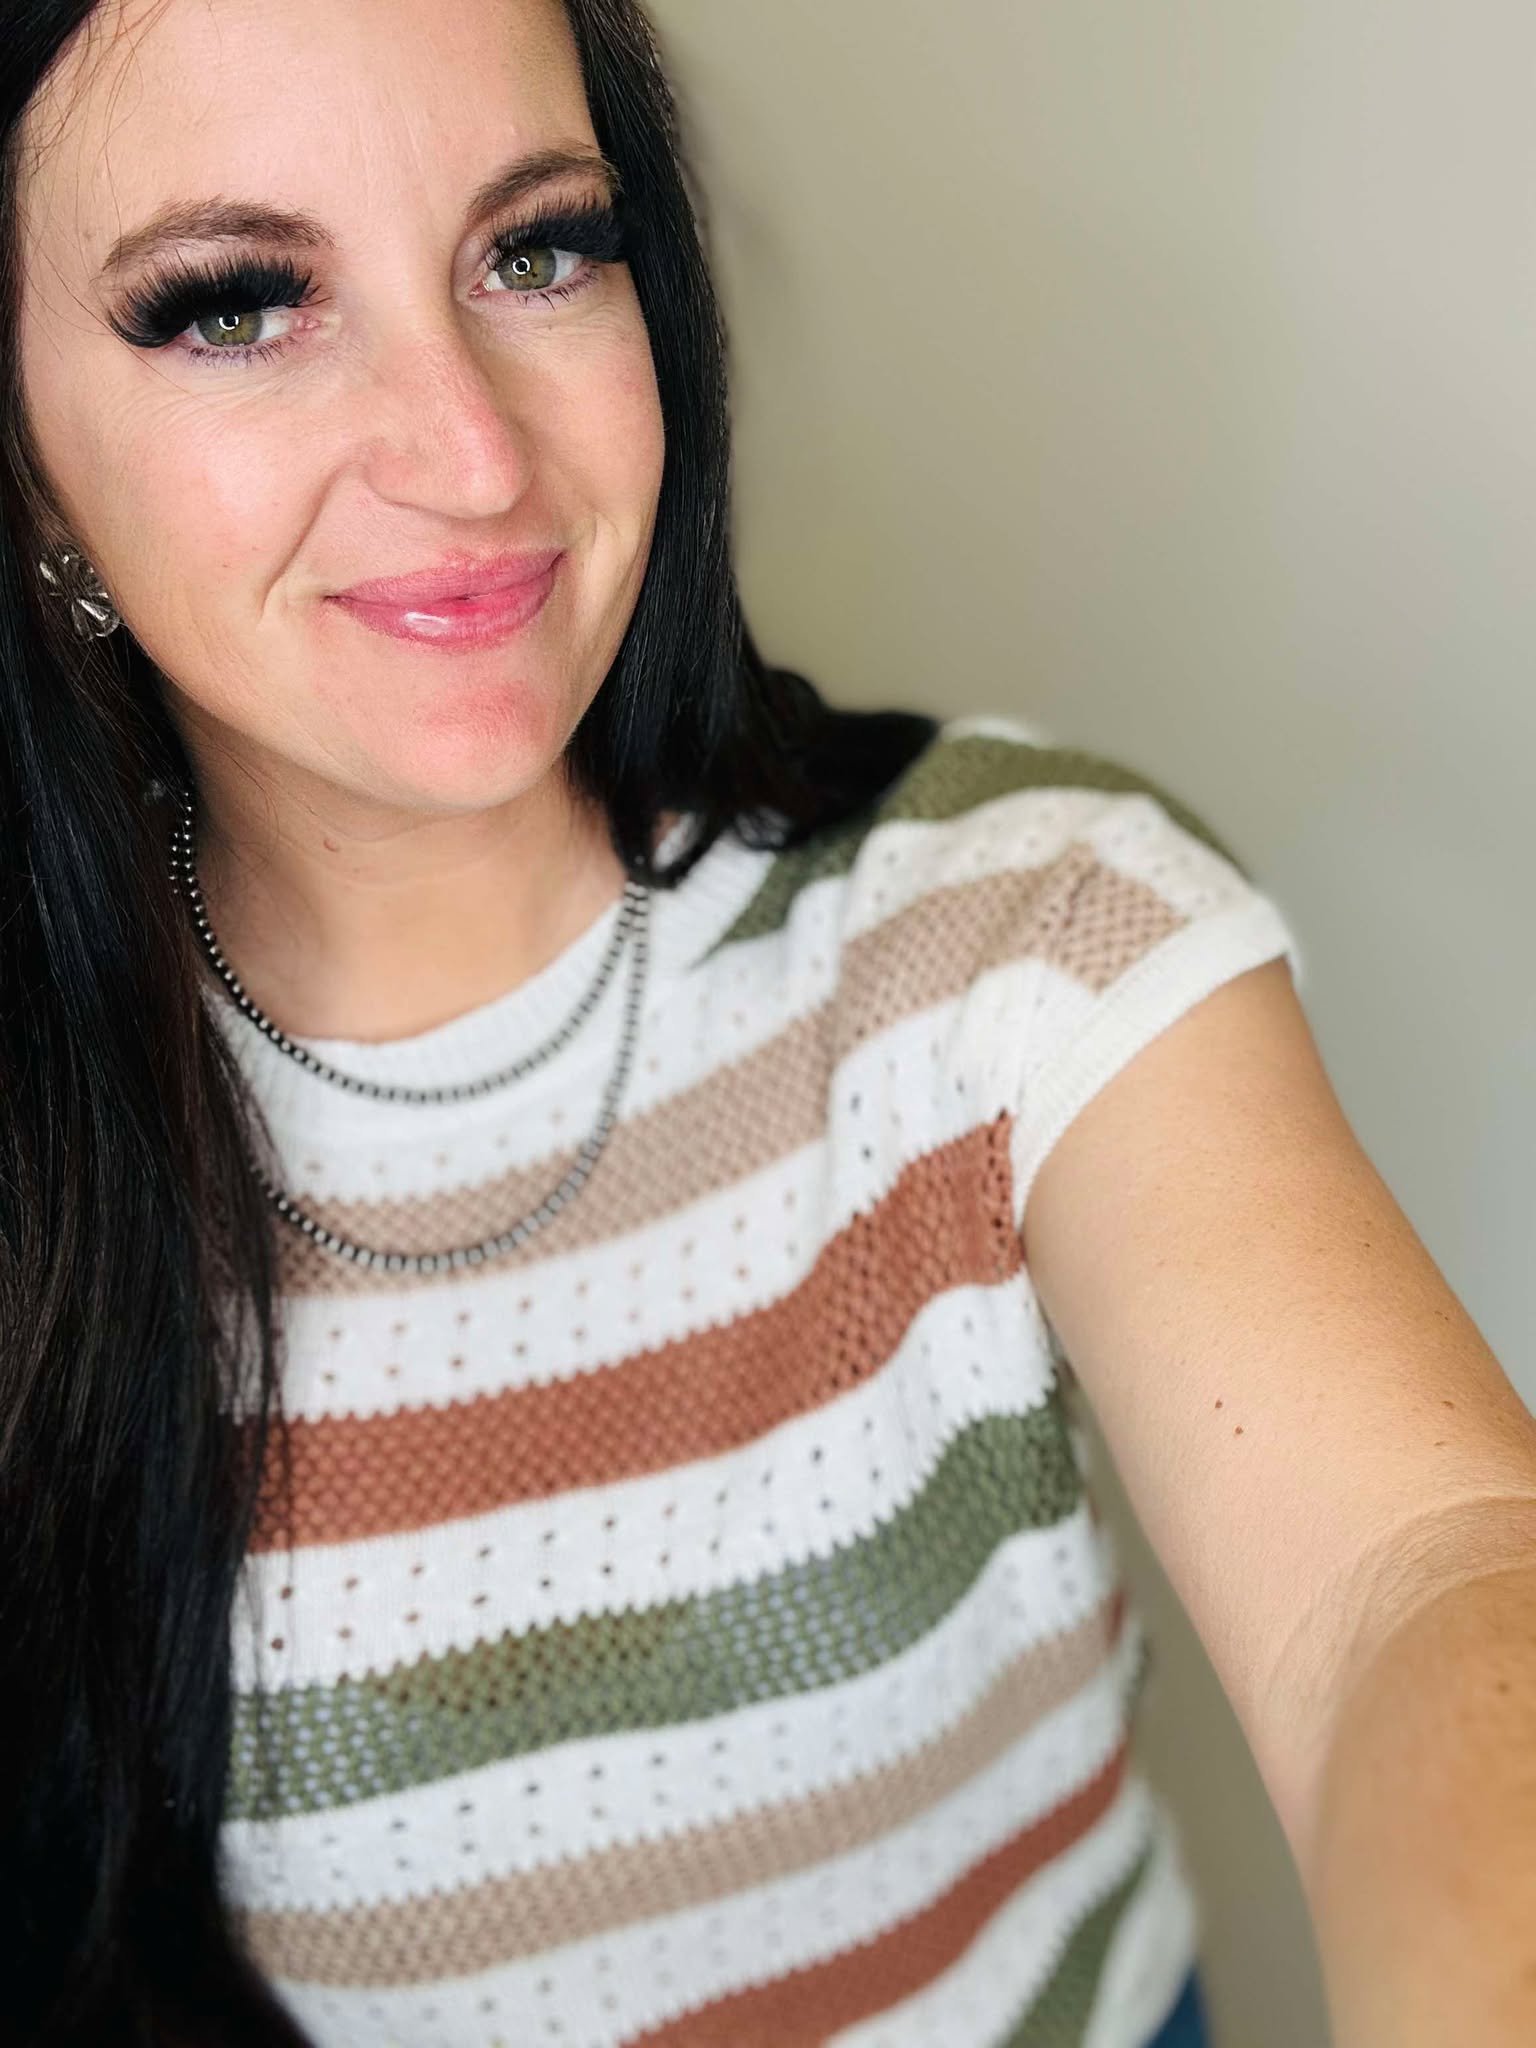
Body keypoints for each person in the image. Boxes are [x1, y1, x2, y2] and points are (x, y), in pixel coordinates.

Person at [3, 1, 1534, 2044]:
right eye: (236, 304)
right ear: (27, 460)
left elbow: (1417, 1575)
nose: (472, 454)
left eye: (536, 248)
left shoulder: (1013, 927)